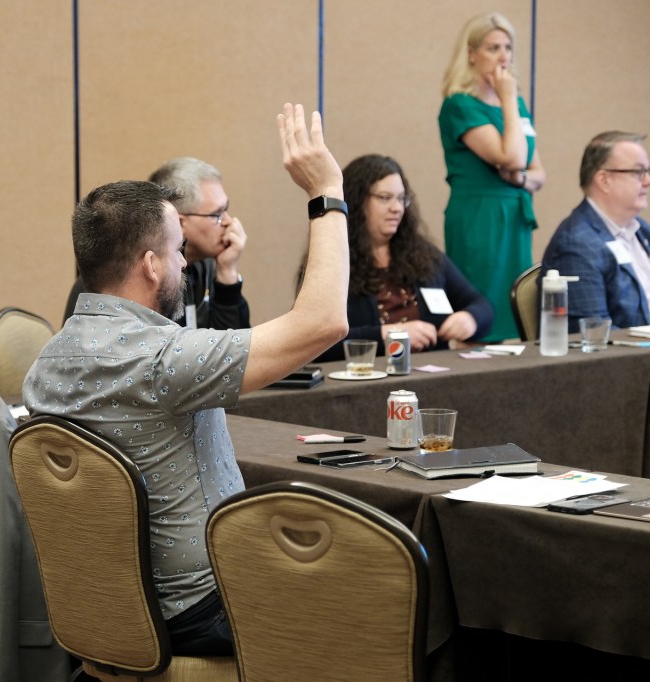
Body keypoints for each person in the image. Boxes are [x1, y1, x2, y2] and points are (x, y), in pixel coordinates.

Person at [24, 103, 348, 655]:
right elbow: (323, 322)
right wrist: (327, 195)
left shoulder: (44, 366)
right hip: (200, 608)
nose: (183, 264)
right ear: (151, 265)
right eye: (178, 252)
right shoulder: (163, 361)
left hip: (104, 602)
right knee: (387, 594)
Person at [310, 154, 491, 360]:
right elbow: (314, 340)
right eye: (385, 198)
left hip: (434, 374)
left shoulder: (423, 254)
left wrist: (470, 318)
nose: (396, 208)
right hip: (365, 379)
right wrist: (387, 335)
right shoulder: (330, 261)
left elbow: (481, 305)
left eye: (401, 199)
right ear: (358, 201)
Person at [439, 12, 546, 341]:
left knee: (517, 306)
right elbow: (511, 156)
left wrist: (520, 181)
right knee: (484, 306)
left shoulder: (515, 106)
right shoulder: (460, 105)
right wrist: (509, 99)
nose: (504, 56)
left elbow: (538, 173)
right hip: (479, 216)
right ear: (471, 53)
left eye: (508, 47)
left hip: (514, 213)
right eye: (493, 48)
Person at [62, 157, 250, 329]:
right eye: (217, 214)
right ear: (179, 222)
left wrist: (228, 273)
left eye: (226, 210)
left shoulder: (206, 268)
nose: (229, 222)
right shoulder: (122, 281)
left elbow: (231, 353)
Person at [541, 131, 650, 331]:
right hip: (644, 358)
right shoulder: (577, 244)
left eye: (648, 171)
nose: (649, 181)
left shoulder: (643, 231)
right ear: (604, 180)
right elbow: (594, 334)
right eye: (638, 172)